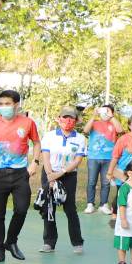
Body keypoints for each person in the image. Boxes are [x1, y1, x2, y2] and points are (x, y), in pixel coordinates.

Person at [0, 90, 39, 262]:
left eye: (7, 104)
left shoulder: (28, 123)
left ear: (16, 105)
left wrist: (35, 162)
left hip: (20, 174)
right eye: (1, 104)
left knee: (21, 209)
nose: (4, 107)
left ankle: (11, 241)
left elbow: (36, 143)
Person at [38, 108, 86, 254]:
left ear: (76, 121)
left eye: (71, 118)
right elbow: (45, 157)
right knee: (49, 207)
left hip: (68, 175)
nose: (68, 121)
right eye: (65, 118)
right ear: (59, 119)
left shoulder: (80, 138)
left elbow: (77, 160)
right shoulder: (49, 136)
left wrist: (61, 173)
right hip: (49, 173)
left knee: (70, 208)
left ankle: (77, 242)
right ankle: (49, 242)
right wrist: (50, 175)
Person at [85, 103, 118, 213]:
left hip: (108, 158)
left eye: (108, 111)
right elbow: (85, 130)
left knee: (106, 182)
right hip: (93, 157)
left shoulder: (113, 124)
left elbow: (120, 130)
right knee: (91, 182)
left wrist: (111, 116)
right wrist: (94, 115)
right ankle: (90, 204)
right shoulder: (94, 123)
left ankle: (103, 205)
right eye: (104, 110)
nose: (105, 113)